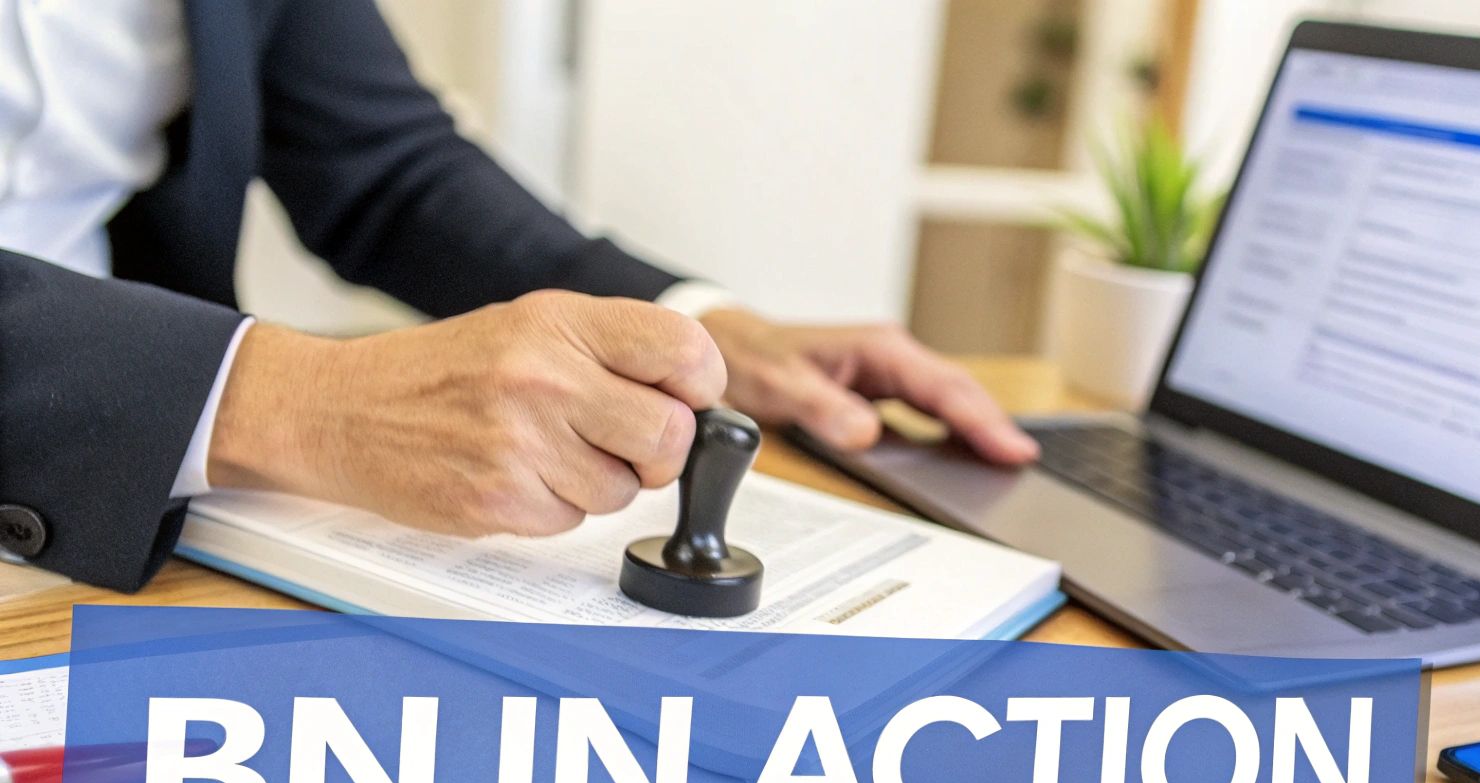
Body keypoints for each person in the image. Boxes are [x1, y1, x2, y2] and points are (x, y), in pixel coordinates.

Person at [0, 0, 1038, 593]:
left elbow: (387, 166)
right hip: (108, 454)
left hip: (134, 540)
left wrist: (694, 325)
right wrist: (282, 398)